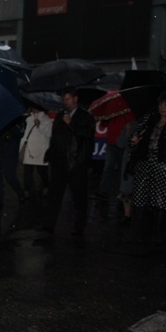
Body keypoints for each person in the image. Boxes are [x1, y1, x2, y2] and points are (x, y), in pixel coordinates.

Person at [40, 87, 95, 236]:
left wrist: (71, 124)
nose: (66, 102)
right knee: (54, 196)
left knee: (79, 197)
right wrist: (51, 153)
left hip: (76, 163)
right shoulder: (60, 116)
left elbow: (87, 134)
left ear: (75, 99)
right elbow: (56, 137)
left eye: (68, 99)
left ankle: (79, 228)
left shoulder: (85, 116)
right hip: (59, 163)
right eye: (64, 99)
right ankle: (48, 226)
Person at [127, 92, 166, 244]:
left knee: (161, 201)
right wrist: (134, 140)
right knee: (139, 198)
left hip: (163, 166)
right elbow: (132, 140)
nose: (163, 108)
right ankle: (136, 234)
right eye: (161, 104)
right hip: (145, 163)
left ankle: (158, 236)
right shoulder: (150, 119)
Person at [20, 105, 52, 198]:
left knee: (42, 170)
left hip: (41, 149)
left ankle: (46, 186)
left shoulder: (47, 120)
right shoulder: (29, 119)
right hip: (30, 149)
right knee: (28, 171)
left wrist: (40, 125)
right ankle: (27, 189)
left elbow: (49, 133)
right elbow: (25, 135)